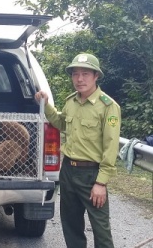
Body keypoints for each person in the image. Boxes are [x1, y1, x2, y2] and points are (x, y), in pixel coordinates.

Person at [35, 53, 121, 248]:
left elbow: (110, 147)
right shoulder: (71, 102)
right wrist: (45, 103)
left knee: (101, 229)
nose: (79, 79)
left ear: (96, 76)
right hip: (68, 171)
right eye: (75, 74)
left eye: (85, 74)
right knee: (71, 225)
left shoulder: (108, 107)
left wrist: (101, 182)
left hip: (92, 174)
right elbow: (60, 123)